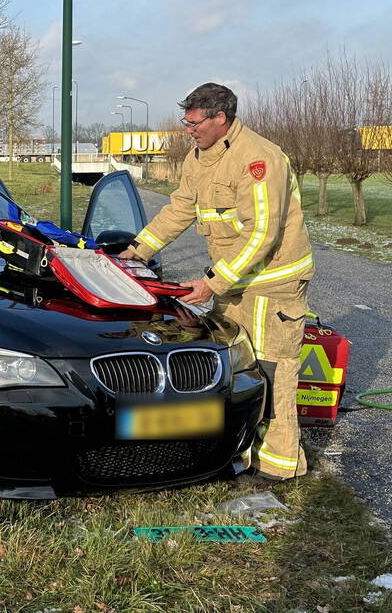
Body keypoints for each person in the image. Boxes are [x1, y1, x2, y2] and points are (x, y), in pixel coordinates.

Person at [118, 83, 314, 483]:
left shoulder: (258, 158)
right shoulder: (198, 157)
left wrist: (212, 282)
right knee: (237, 369)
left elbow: (261, 234)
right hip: (235, 280)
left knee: (272, 370)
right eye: (185, 122)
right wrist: (134, 252)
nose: (188, 130)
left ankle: (280, 466)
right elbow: (178, 210)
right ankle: (240, 449)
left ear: (220, 118)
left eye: (194, 123)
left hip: (271, 283)